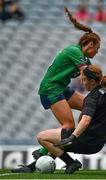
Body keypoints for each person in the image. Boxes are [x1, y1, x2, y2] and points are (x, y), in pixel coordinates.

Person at [12, 65, 106, 174]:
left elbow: (85, 121)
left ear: (92, 81)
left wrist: (72, 137)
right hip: (99, 143)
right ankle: (31, 168)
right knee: (58, 144)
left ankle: (71, 163)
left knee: (42, 137)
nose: (82, 83)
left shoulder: (92, 98)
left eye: (84, 80)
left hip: (86, 140)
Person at [31, 7, 101, 160]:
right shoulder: (75, 52)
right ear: (89, 44)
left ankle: (71, 138)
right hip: (51, 89)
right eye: (96, 48)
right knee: (68, 126)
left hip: (62, 88)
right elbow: (87, 75)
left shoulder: (84, 58)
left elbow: (93, 76)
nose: (97, 52)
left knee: (90, 106)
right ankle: (43, 149)